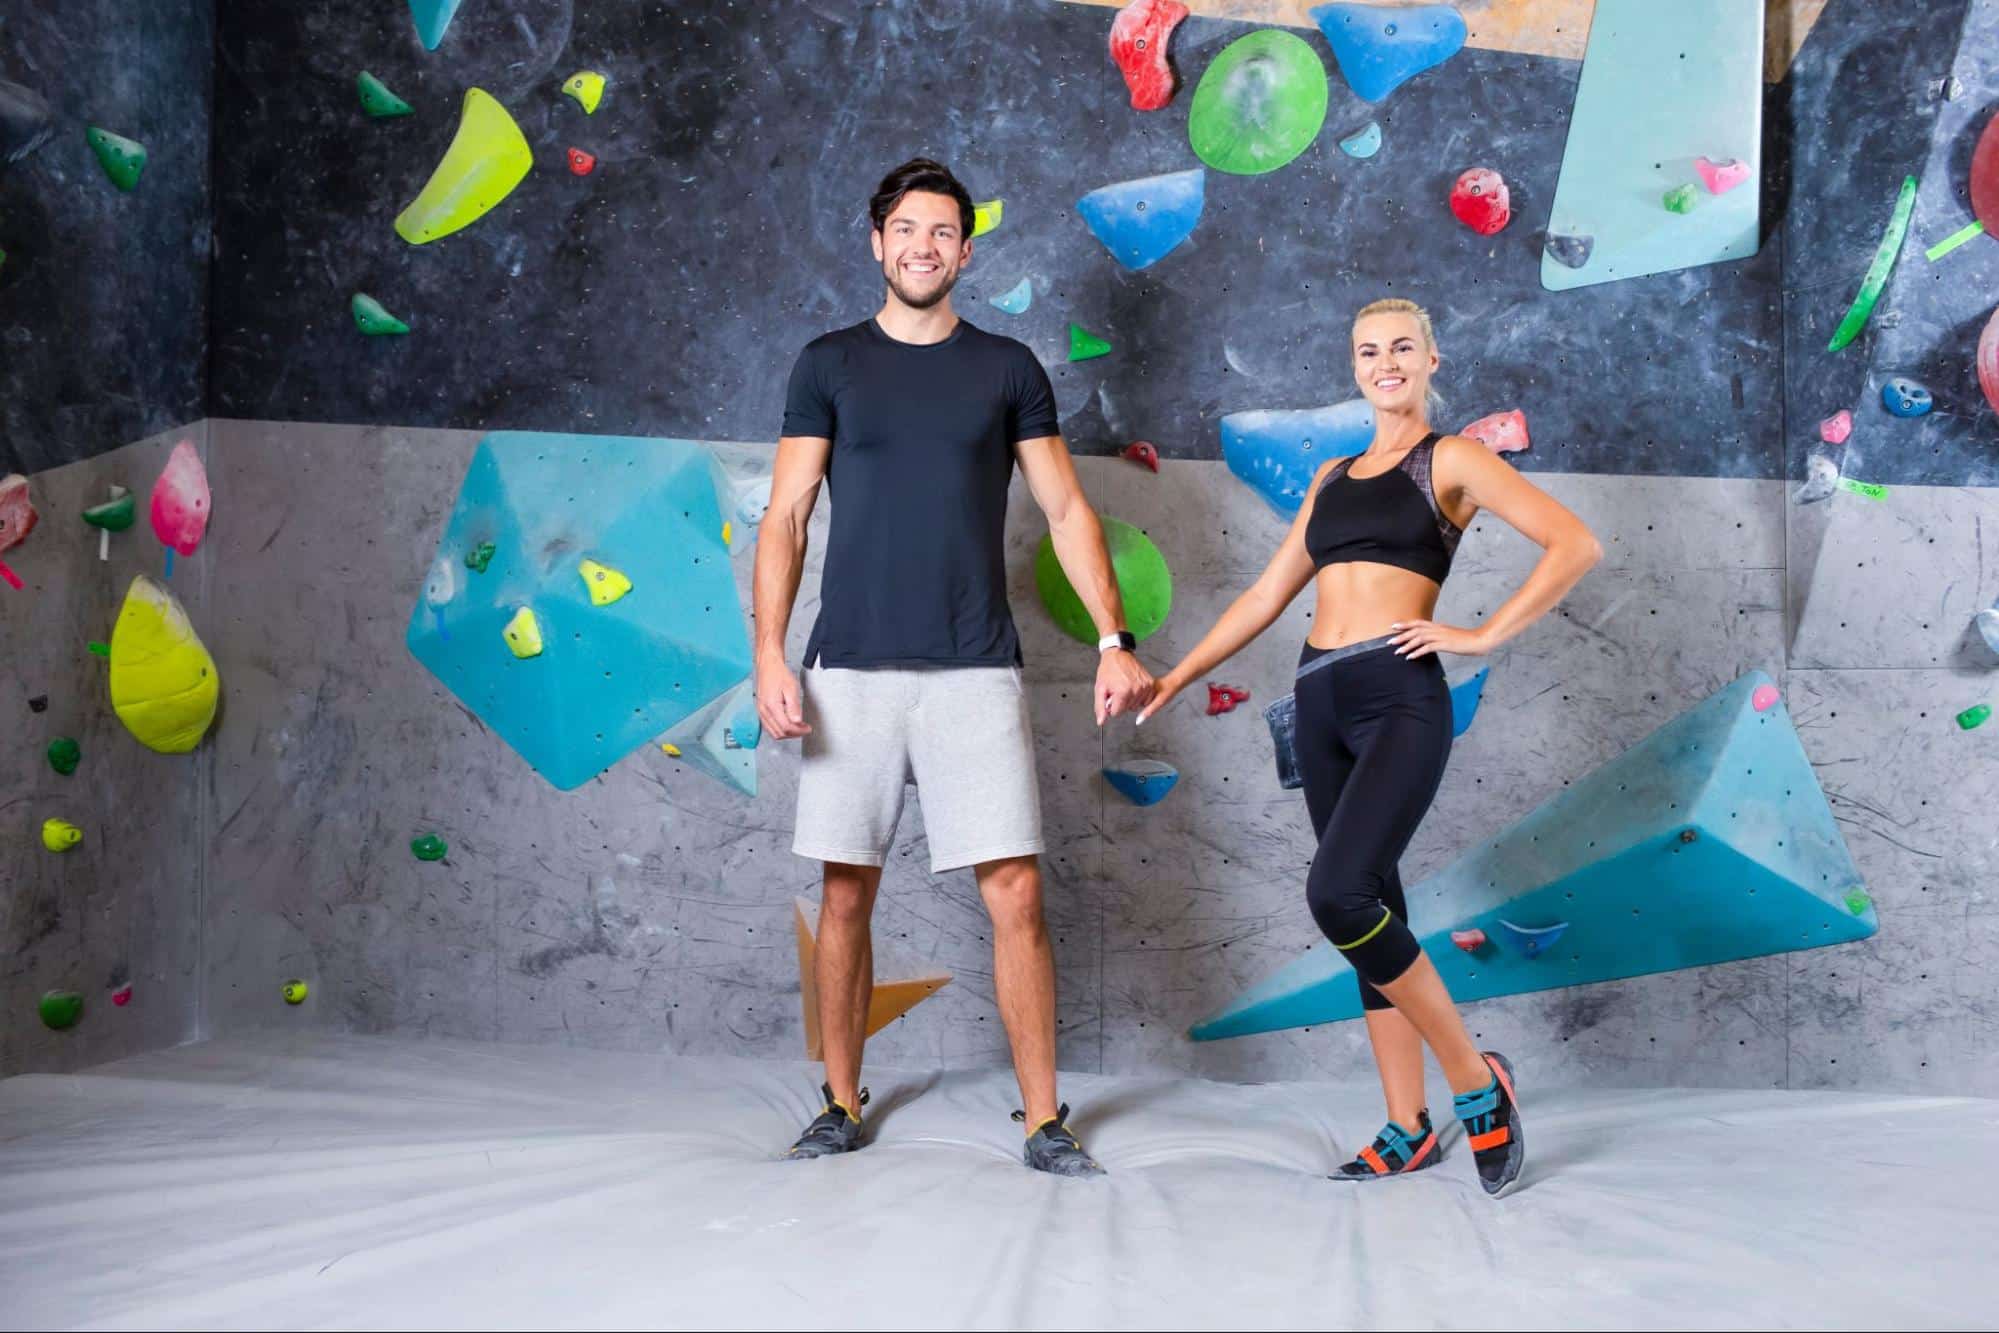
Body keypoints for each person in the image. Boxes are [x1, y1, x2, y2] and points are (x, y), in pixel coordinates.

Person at [1138, 298, 1601, 1196]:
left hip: (1397, 693)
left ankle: (1475, 1079)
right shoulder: (1331, 476)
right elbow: (1264, 597)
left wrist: (1479, 633)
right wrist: (1176, 674)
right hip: (1318, 700)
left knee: (1336, 892)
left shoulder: (1452, 460)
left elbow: (1572, 542)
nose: (1384, 362)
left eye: (1400, 347)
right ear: (1352, 366)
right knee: (1371, 907)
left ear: (1431, 357)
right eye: (1366, 350)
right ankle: (1405, 1121)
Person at [755, 157, 1156, 1176]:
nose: (923, 246)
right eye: (906, 229)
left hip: (974, 666)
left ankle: (1042, 1119)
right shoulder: (827, 364)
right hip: (849, 667)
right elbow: (789, 513)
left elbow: (1066, 510)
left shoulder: (1008, 369)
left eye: (942, 232)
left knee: (1015, 890)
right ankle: (839, 1102)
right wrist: (768, 651)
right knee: (845, 893)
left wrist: (1113, 639)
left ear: (965, 251)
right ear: (876, 242)